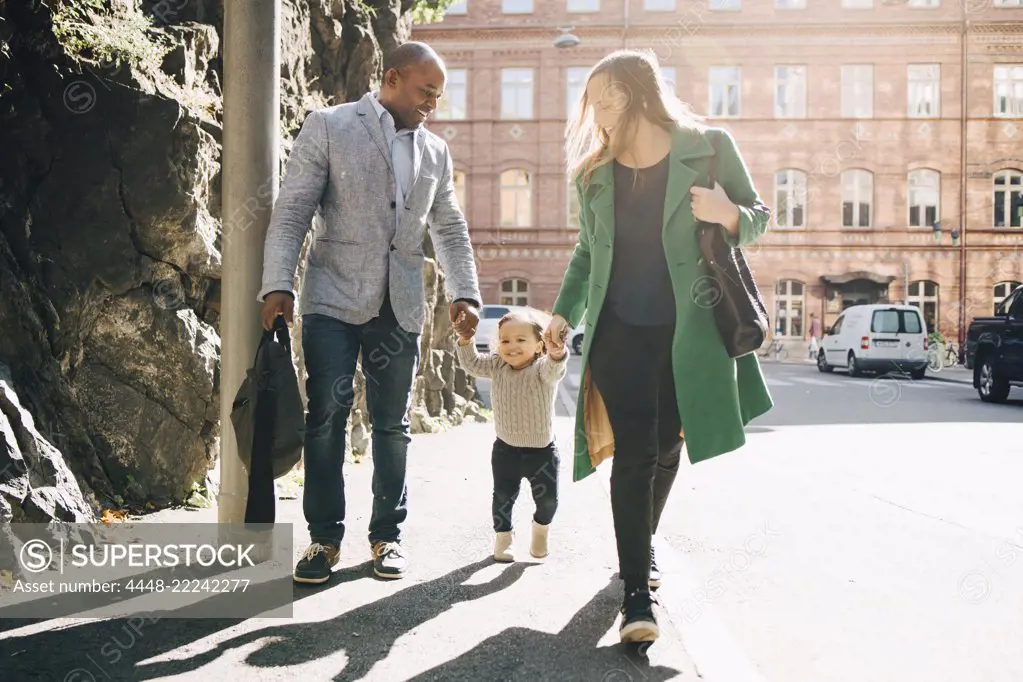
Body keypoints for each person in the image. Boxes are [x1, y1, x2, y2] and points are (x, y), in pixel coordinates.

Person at [544, 49, 773, 644]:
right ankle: (636, 596)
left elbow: (758, 215)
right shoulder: (595, 173)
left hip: (687, 335)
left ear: (635, 93)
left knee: (669, 442)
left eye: (603, 97)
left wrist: (727, 214)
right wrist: (563, 314)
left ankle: (638, 550)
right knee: (635, 453)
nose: (595, 110)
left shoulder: (709, 147)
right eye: (590, 101)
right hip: (617, 333)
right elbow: (587, 253)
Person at [258, 42, 482, 585]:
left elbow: (448, 226)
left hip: (399, 305)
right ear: (391, 78)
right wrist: (276, 284)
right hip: (331, 299)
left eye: (439, 94)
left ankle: (388, 537)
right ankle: (323, 541)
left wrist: (465, 293)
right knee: (326, 420)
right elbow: (294, 210)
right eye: (426, 90)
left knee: (392, 426)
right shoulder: (330, 125)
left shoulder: (436, 152)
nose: (433, 102)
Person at [453, 309, 568, 563]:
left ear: (539, 345)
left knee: (548, 501)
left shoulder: (541, 370)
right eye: (505, 340)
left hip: (542, 453)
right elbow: (471, 363)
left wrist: (557, 352)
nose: (511, 346)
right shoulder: (497, 365)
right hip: (506, 450)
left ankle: (541, 529)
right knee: (503, 497)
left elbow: (554, 368)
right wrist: (465, 340)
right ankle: (504, 536)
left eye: (520, 340)